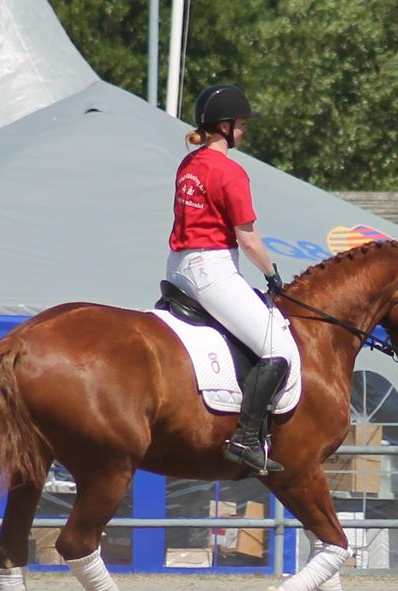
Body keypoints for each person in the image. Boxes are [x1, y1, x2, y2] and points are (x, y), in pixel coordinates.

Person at [166, 83, 299, 474]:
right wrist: (272, 273)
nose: (243, 132)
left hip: (178, 269)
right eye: (240, 125)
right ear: (223, 126)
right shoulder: (229, 171)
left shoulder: (188, 165)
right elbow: (248, 238)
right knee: (277, 347)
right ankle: (245, 438)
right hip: (213, 270)